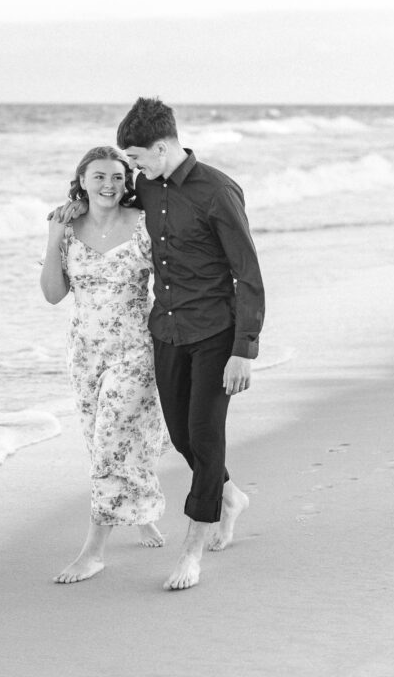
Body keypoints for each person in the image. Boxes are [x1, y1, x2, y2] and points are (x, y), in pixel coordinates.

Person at [64, 98, 265, 591]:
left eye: (136, 159)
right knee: (179, 437)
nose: (132, 169)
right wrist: (68, 212)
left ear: (160, 147)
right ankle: (230, 494)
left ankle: (192, 552)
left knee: (204, 433)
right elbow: (109, 217)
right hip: (166, 332)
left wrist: (245, 348)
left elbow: (248, 273)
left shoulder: (217, 191)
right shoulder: (148, 191)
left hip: (217, 333)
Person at [40, 145, 166, 584]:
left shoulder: (145, 225)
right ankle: (141, 511)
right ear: (83, 181)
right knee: (101, 442)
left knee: (113, 439)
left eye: (117, 176)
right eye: (99, 177)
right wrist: (54, 239)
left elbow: (172, 281)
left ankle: (94, 550)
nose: (109, 184)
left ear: (126, 182)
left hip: (134, 349)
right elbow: (54, 295)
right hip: (84, 352)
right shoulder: (68, 228)